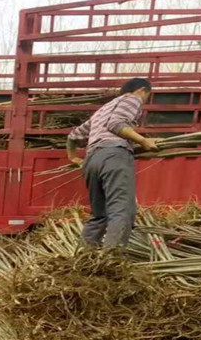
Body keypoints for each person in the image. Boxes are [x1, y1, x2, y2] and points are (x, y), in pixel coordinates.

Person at [67, 77, 158, 248]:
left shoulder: (102, 110)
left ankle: (84, 259)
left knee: (99, 215)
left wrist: (73, 157)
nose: (144, 100)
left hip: (92, 160)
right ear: (142, 90)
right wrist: (143, 141)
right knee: (122, 211)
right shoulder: (133, 99)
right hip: (113, 155)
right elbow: (115, 124)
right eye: (147, 95)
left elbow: (72, 136)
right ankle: (112, 262)